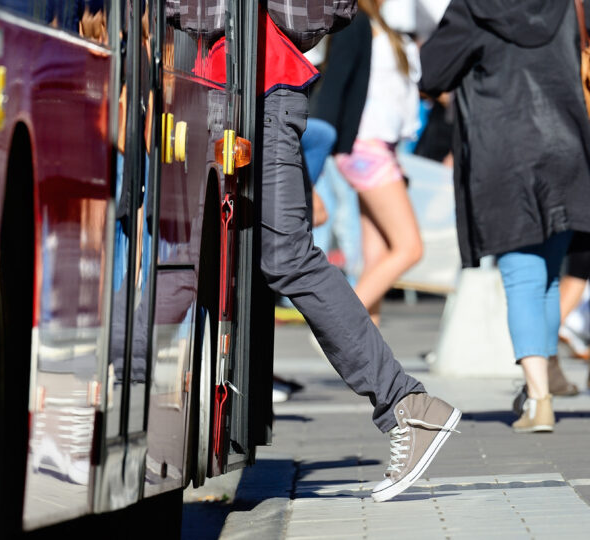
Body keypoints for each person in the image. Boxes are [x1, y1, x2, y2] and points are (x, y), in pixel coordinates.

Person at [195, 1, 462, 501]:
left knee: (281, 258)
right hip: (244, 88)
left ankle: (407, 404)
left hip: (258, 89)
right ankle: (406, 403)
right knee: (236, 258)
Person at [421, 0, 590, 433]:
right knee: (548, 276)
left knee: (523, 276)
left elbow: (433, 74)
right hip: (568, 146)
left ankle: (539, 397)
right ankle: (537, 385)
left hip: (502, 150)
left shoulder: (472, 6)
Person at [330, 0, 423, 327]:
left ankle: (368, 360)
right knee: (410, 248)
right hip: (367, 146)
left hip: (381, 147)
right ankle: (337, 323)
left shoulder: (387, 29)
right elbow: (335, 85)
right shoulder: (357, 27)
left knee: (380, 257)